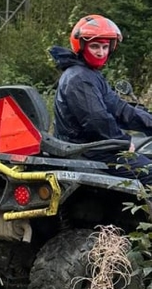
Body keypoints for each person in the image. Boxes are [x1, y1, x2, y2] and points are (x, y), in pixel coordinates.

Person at [49, 13, 152, 186]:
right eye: (95, 46)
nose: (101, 52)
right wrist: (124, 143)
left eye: (105, 47)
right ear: (82, 46)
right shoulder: (79, 78)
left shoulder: (89, 75)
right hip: (85, 150)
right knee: (149, 172)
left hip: (92, 146)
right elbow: (96, 120)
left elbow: (120, 109)